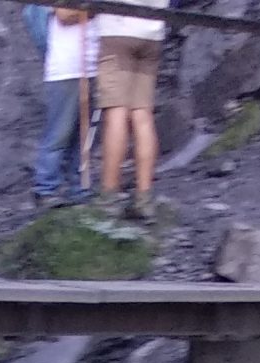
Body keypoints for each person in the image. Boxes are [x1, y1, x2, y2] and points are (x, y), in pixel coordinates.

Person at [96, 0, 168, 216]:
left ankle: (109, 197)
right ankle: (144, 198)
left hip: (118, 30)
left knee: (117, 111)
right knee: (142, 113)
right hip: (152, 32)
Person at [36, 6, 98, 204]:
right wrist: (95, 9)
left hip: (91, 66)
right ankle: (45, 187)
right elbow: (63, 15)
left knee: (85, 135)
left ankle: (80, 187)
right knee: (59, 133)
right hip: (67, 68)